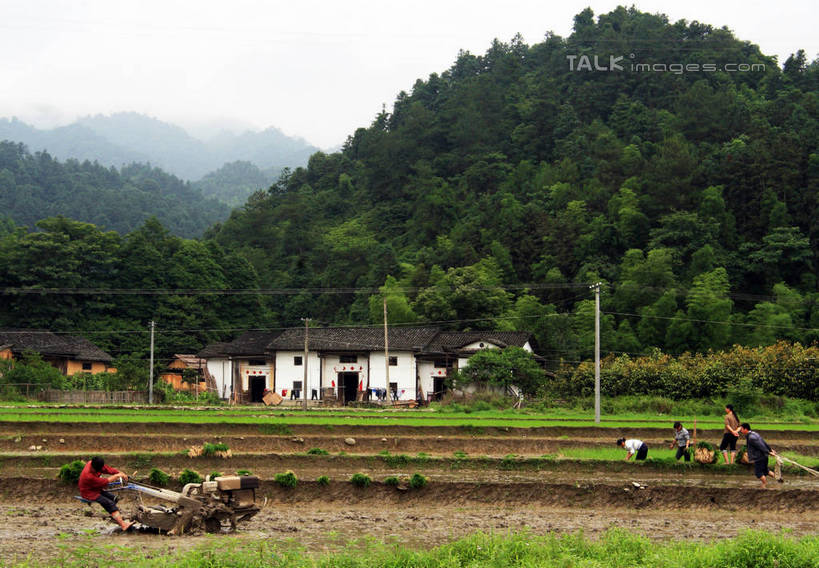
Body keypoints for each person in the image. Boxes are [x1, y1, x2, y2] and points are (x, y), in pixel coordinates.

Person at [78, 456, 133, 531]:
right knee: (110, 503)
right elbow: (104, 482)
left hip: (95, 488)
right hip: (88, 492)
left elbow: (107, 469)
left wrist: (119, 473)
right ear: (95, 468)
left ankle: (114, 516)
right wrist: (117, 476)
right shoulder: (88, 476)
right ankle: (123, 525)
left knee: (114, 499)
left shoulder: (93, 463)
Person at [739, 423, 781, 489]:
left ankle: (764, 486)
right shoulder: (755, 434)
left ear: (745, 429)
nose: (740, 430)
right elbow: (763, 442)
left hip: (759, 457)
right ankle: (780, 479)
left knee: (758, 473)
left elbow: (760, 446)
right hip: (764, 456)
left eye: (741, 429)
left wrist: (769, 452)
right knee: (766, 471)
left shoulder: (751, 437)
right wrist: (770, 450)